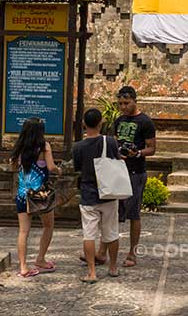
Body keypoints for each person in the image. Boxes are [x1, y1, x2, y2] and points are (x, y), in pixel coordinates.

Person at [96, 86, 157, 268]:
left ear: (134, 101)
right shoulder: (119, 120)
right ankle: (102, 252)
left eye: (126, 103)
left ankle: (132, 252)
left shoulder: (145, 122)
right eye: (120, 103)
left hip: (135, 171)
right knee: (111, 212)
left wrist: (136, 153)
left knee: (133, 213)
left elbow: (152, 149)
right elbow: (113, 140)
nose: (123, 107)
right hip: (117, 169)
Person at [73, 109, 120, 283]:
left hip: (88, 194)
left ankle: (92, 272)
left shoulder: (78, 147)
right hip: (108, 193)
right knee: (111, 232)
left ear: (84, 124)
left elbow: (77, 168)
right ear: (101, 123)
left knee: (89, 234)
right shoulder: (111, 142)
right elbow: (117, 160)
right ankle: (113, 267)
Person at [10, 117, 60, 278]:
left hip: (22, 194)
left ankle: (23, 267)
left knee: (23, 231)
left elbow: (12, 166)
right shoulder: (44, 147)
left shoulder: (20, 148)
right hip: (40, 196)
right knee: (48, 225)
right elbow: (51, 167)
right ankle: (40, 259)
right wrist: (59, 170)